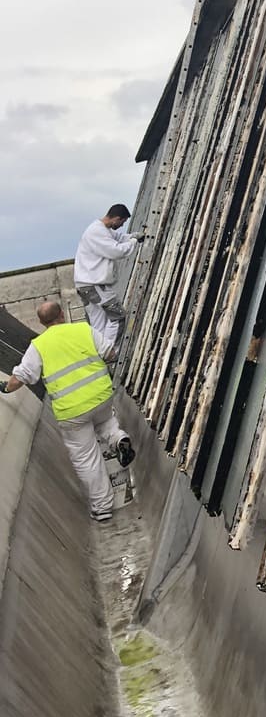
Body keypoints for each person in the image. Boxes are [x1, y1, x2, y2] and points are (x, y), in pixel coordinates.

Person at [0, 302, 135, 522]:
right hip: (100, 396)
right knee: (105, 422)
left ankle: (102, 508)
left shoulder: (39, 345)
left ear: (42, 323)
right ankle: (119, 439)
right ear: (62, 314)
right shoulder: (82, 329)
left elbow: (23, 376)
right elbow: (110, 352)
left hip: (72, 412)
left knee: (87, 458)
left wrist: (5, 387)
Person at [74, 202, 143, 348]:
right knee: (117, 316)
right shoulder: (96, 232)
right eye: (122, 222)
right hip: (94, 285)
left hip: (85, 286)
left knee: (99, 324)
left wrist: (131, 236)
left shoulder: (101, 229)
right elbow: (117, 251)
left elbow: (117, 237)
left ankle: (99, 352)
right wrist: (134, 241)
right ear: (116, 218)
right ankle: (109, 352)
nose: (122, 225)